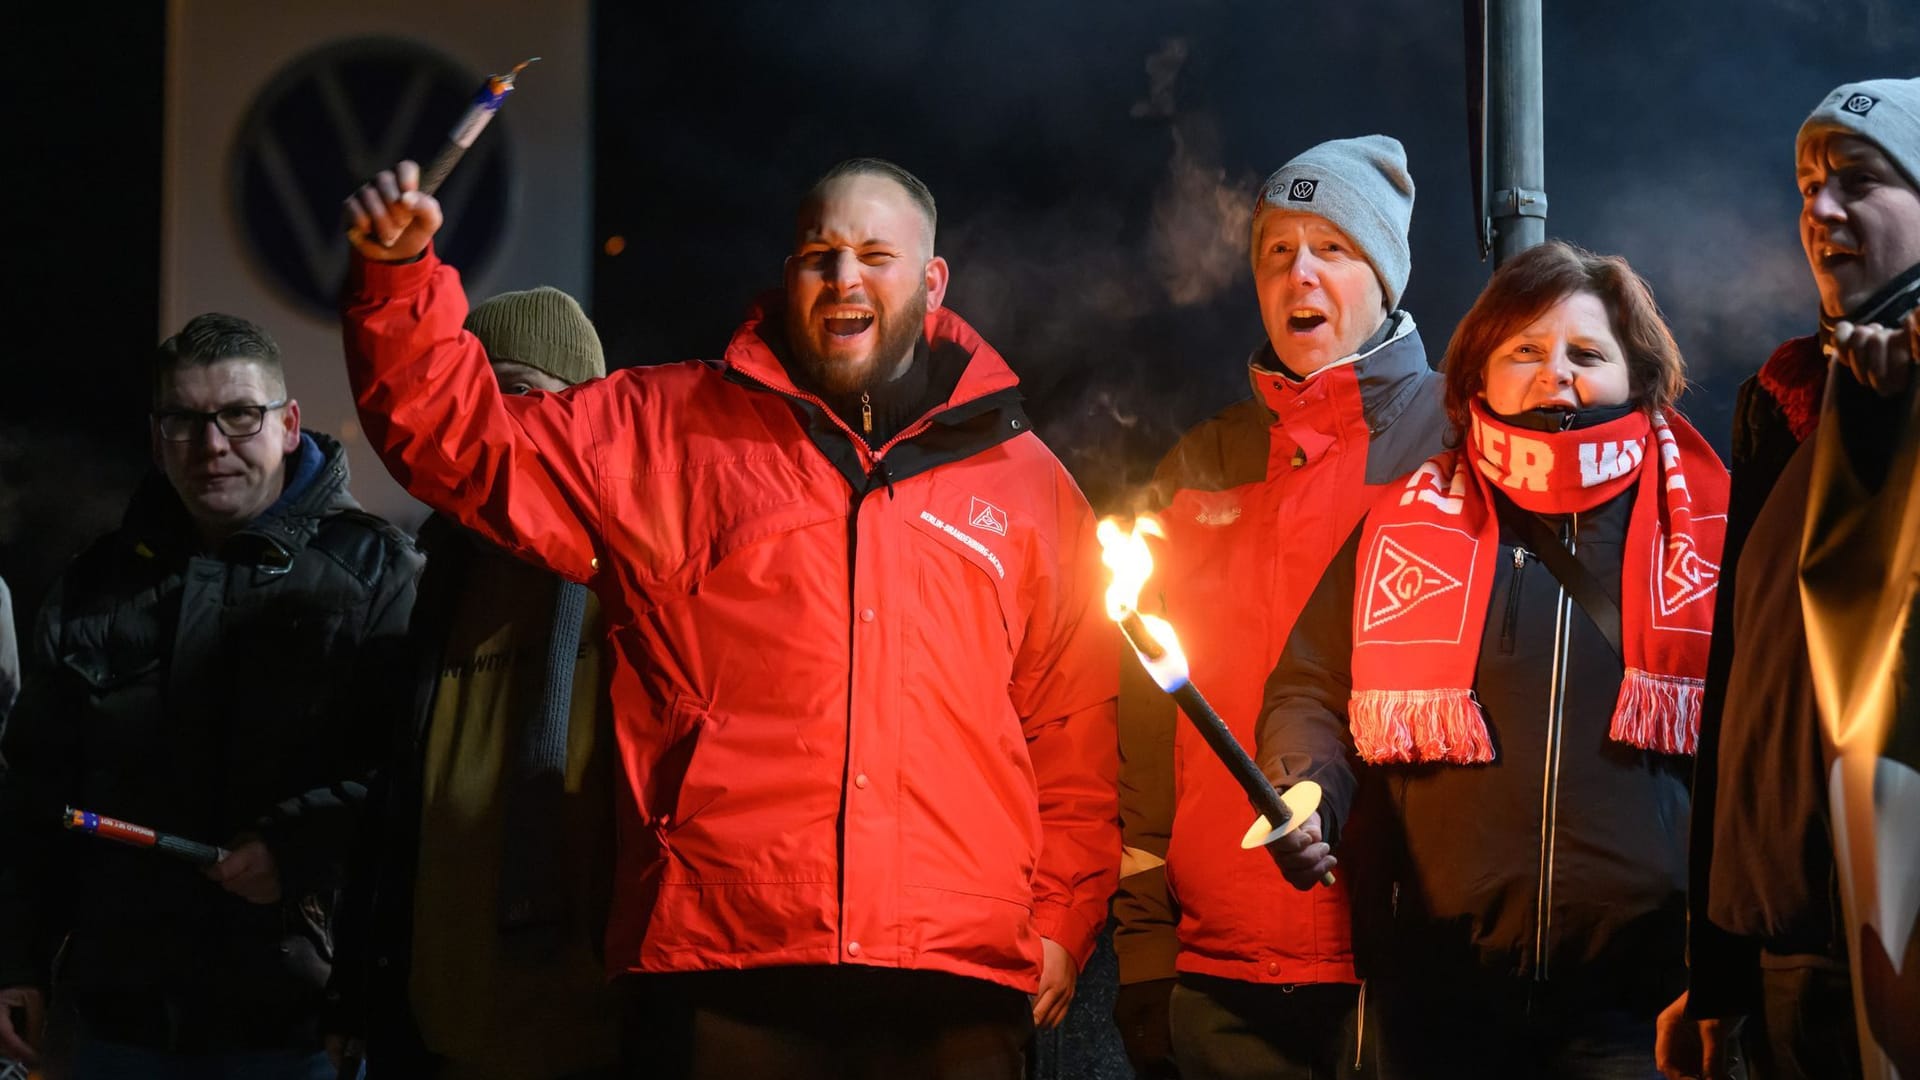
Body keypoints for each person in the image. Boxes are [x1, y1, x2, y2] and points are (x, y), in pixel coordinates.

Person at [338, 156, 1119, 1078]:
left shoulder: (1029, 487)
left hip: (954, 979)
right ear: (789, 272)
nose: (845, 279)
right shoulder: (664, 431)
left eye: (876, 254)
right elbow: (465, 445)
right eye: (820, 255)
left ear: (932, 280)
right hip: (725, 962)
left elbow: (1069, 730)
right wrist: (399, 279)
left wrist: (1064, 918)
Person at [1257, 240, 1729, 1078]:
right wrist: (1305, 788)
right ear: (1478, 374)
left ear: (1639, 376)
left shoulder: (1710, 539)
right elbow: (1312, 683)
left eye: (1588, 353)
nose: (1557, 375)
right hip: (1437, 1005)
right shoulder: (1405, 522)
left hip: (1644, 1010)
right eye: (1526, 351)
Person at [0, 313, 422, 1077]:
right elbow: (32, 792)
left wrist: (298, 853)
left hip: (300, 1026)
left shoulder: (379, 576)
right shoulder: (96, 585)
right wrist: (14, 959)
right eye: (185, 421)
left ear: (289, 425)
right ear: (157, 439)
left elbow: (417, 781)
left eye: (239, 415)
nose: (213, 444)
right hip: (119, 1025)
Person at [1112, 135, 1446, 1079]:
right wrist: (1143, 946)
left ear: (1384, 275)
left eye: (1333, 248)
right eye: (1276, 253)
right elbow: (1145, 731)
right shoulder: (1197, 466)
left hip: (1402, 976)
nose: (1301, 271)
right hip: (1221, 980)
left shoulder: (1456, 444)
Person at [1669, 75, 1920, 1080]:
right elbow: (1741, 702)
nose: (1819, 210)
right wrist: (1719, 975)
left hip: (1894, 968)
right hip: (1788, 969)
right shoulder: (1791, 406)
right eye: (1808, 185)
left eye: (1857, 182)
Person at [328, 287, 620, 1079]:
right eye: (476, 396)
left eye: (520, 394)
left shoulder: (635, 577)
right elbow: (393, 810)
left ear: (585, 413)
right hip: (437, 1034)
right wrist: (358, 991)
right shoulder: (435, 576)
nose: (494, 424)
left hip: (593, 1039)